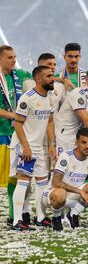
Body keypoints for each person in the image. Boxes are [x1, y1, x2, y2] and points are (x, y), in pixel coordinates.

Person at [9, 65, 56, 230]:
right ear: (38, 79)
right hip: (24, 147)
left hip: (39, 148)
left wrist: (52, 144)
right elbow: (17, 123)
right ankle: (17, 221)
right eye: (49, 76)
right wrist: (26, 147)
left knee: (42, 182)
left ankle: (41, 218)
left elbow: (50, 121)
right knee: (23, 182)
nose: (53, 79)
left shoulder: (49, 97)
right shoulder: (27, 98)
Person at [43, 128, 88, 231]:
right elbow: (56, 182)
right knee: (60, 194)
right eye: (83, 142)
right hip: (53, 195)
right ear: (76, 143)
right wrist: (79, 191)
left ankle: (73, 215)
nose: (87, 146)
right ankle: (56, 218)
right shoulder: (66, 156)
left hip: (74, 196)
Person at [0, 45, 32, 225]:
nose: (14, 60)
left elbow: (40, 77)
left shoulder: (19, 75)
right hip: (1, 133)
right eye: (10, 57)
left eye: (15, 57)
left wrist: (61, 79)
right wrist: (14, 115)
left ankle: (14, 216)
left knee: (14, 177)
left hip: (15, 135)